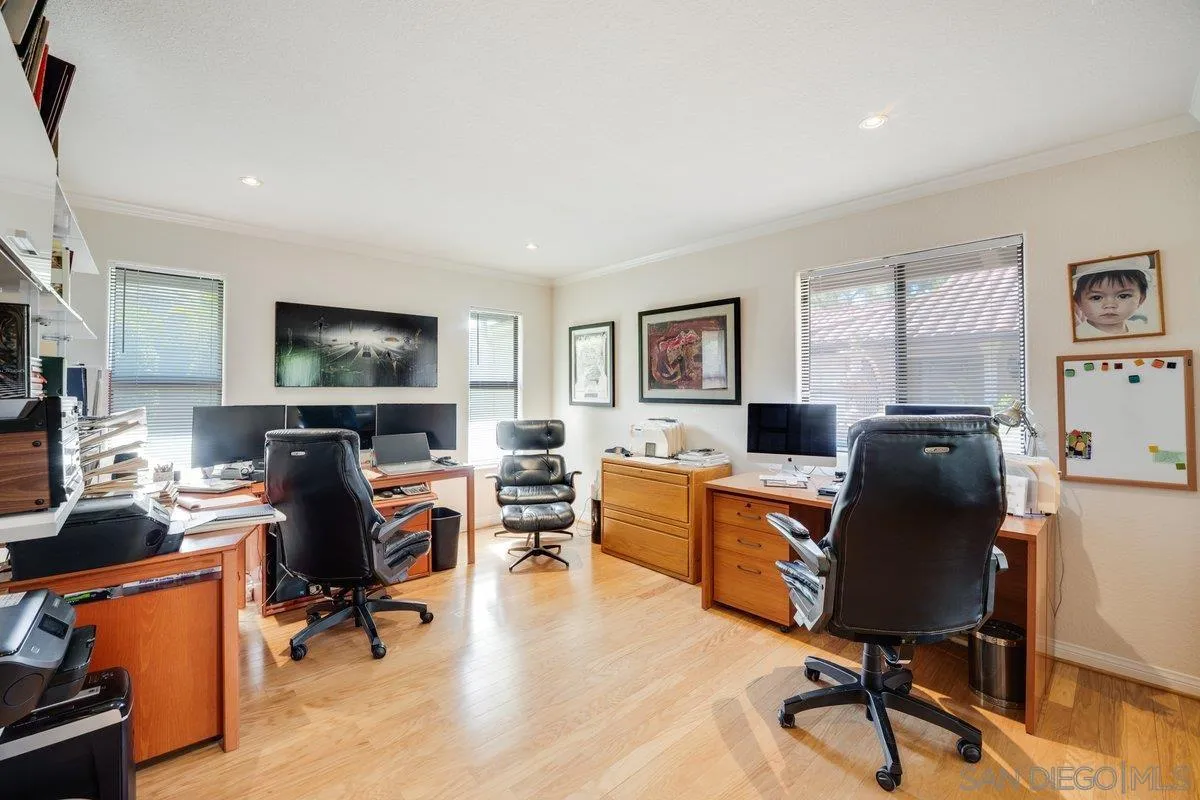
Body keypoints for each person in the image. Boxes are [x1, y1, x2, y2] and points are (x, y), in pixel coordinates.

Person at [1072, 256, 1156, 338]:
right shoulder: (1078, 335)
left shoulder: (1144, 332)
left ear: (1141, 299)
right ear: (1078, 301)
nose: (1110, 305)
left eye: (1123, 296)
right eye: (1096, 297)